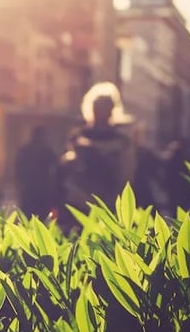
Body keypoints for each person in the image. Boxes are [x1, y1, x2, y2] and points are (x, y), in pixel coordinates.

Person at [57, 82, 136, 232]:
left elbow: (127, 175)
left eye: (104, 108)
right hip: (79, 205)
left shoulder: (122, 141)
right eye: (98, 108)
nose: (101, 112)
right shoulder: (78, 137)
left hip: (110, 205)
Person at [14, 125, 59, 219]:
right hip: (42, 189)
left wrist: (20, 183)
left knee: (27, 217)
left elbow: (17, 169)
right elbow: (56, 167)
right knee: (42, 218)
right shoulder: (47, 150)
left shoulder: (24, 150)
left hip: (28, 189)